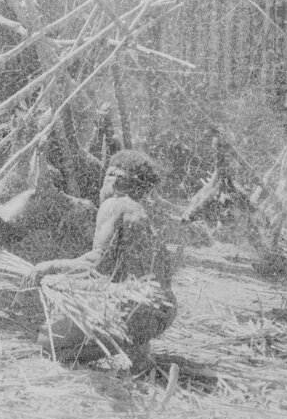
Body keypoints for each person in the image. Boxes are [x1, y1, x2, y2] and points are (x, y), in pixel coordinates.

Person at [24, 150, 178, 370]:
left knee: (47, 343)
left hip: (137, 310)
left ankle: (128, 343)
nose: (101, 185)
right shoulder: (141, 210)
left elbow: (97, 264)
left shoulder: (115, 205)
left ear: (115, 179)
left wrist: (48, 267)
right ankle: (136, 347)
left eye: (106, 176)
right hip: (162, 311)